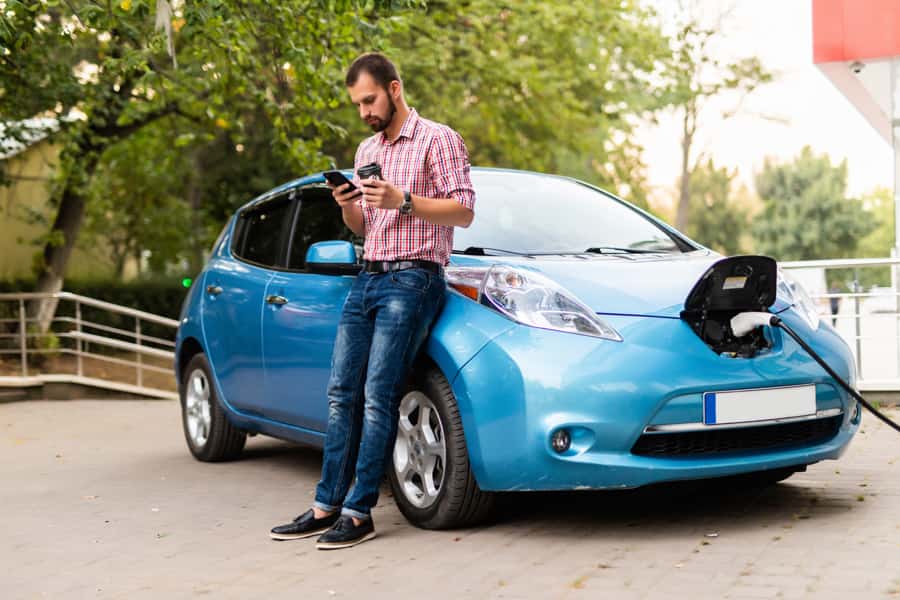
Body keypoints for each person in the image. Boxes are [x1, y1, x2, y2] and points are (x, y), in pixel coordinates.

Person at [270, 53, 476, 550]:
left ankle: (359, 513)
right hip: (367, 277)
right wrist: (349, 207)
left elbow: (463, 211)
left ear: (395, 89)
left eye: (369, 100)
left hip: (414, 278)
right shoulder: (367, 147)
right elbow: (366, 225)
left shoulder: (439, 139)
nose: (363, 111)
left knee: (376, 395)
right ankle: (325, 506)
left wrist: (404, 199)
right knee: (341, 394)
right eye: (357, 104)